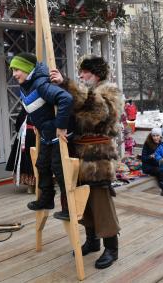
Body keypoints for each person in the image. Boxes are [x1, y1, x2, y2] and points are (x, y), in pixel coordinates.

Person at [50, 55, 122, 269]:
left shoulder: (110, 91)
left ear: (96, 73)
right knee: (84, 202)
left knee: (101, 202)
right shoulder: (85, 93)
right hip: (80, 154)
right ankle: (92, 241)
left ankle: (112, 248)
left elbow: (99, 111)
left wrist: (66, 84)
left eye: (85, 72)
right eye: (80, 73)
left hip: (99, 155)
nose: (81, 76)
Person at [10, 52, 74, 216]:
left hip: (57, 135)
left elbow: (65, 99)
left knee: (59, 171)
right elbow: (31, 108)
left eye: (17, 69)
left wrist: (61, 126)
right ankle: (47, 199)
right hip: (46, 134)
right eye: (13, 70)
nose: (14, 74)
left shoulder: (41, 84)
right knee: (41, 165)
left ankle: (68, 208)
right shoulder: (25, 86)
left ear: (27, 68)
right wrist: (35, 123)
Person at [5, 108, 36, 194]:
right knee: (32, 161)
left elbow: (17, 127)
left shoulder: (24, 111)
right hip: (33, 138)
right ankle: (34, 186)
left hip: (24, 138)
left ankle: (30, 187)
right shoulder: (39, 110)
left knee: (26, 161)